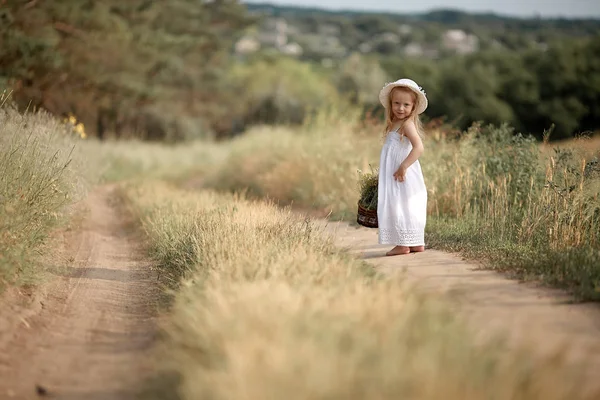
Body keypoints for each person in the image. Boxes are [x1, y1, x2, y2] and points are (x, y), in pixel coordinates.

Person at [377, 78, 428, 256]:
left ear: (413, 108)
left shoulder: (407, 124)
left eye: (406, 104)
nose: (400, 108)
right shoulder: (394, 125)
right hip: (397, 173)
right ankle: (415, 242)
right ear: (390, 105)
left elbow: (419, 147)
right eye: (396, 103)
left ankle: (403, 244)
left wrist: (403, 166)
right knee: (405, 204)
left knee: (399, 204)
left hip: (403, 173)